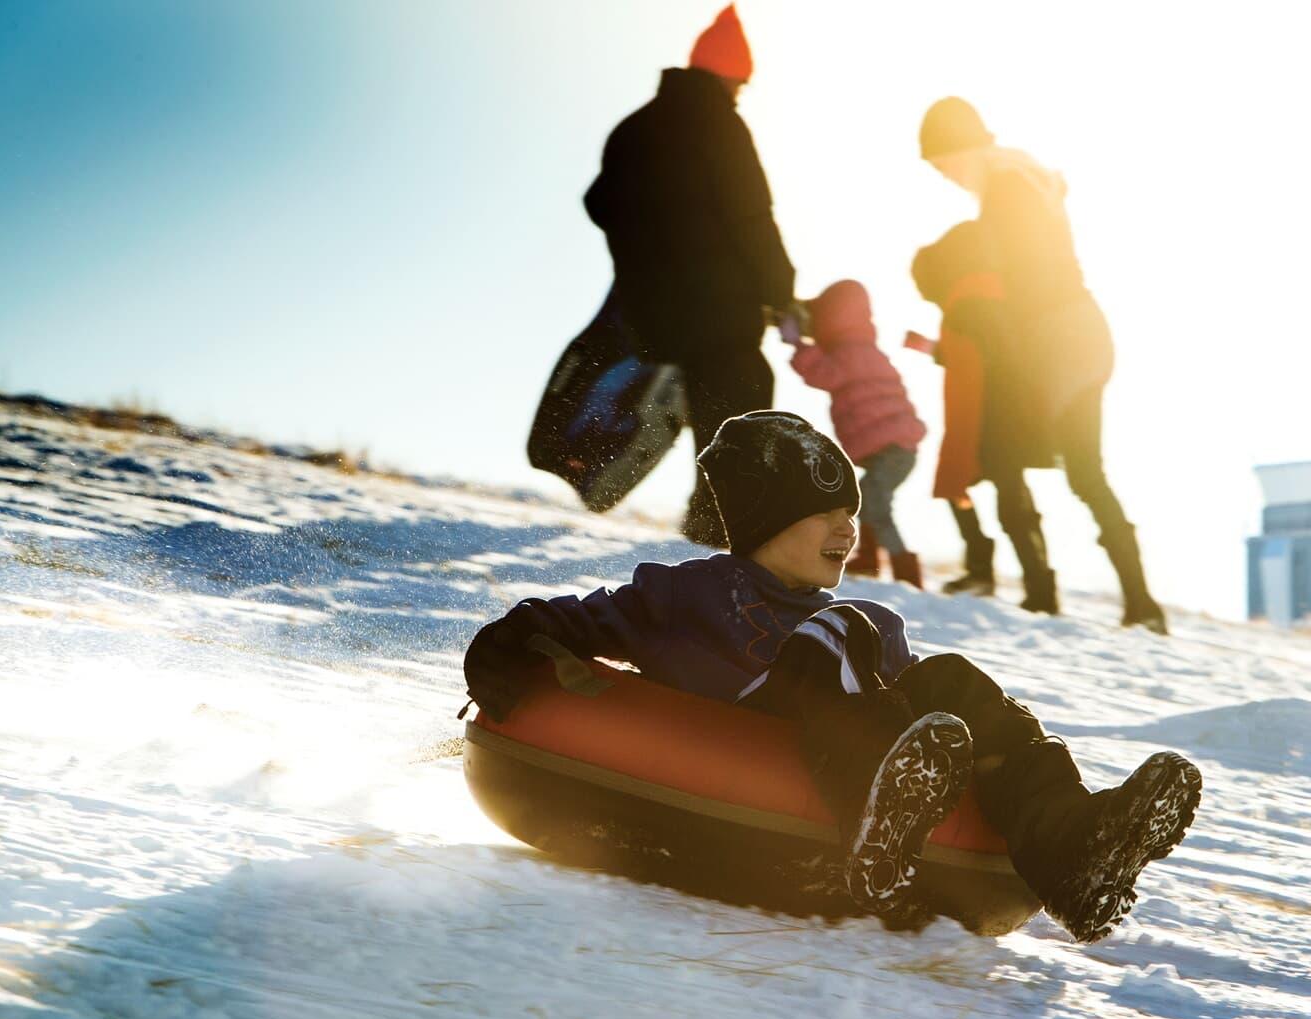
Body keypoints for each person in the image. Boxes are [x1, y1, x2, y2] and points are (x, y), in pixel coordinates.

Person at [463, 411, 1204, 943]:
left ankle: (1075, 852)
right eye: (823, 511)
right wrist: (511, 642)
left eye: (851, 510)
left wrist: (955, 736)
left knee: (948, 676)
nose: (847, 528)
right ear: (762, 520)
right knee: (850, 626)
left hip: (859, 742)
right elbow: (575, 622)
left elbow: (930, 714)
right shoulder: (683, 593)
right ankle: (874, 821)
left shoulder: (854, 626)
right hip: (758, 737)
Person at [919, 97, 1169, 633]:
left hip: (1055, 335)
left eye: (943, 165)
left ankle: (1043, 592)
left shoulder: (1007, 191)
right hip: (1081, 330)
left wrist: (980, 329)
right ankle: (1140, 604)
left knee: (1007, 451)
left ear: (962, 149)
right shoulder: (1024, 180)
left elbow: (1021, 280)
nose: (946, 177)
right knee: (1083, 472)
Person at [583, 5, 798, 546]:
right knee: (742, 399)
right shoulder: (721, 125)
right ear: (730, 76)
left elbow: (599, 201)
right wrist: (781, 289)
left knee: (706, 393)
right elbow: (752, 214)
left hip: (652, 313)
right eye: (740, 83)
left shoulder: (633, 128)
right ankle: (714, 527)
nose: (740, 93)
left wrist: (648, 257)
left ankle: (699, 502)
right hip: (720, 309)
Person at [786, 280, 928, 587]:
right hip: (896, 447)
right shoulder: (864, 348)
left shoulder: (851, 351)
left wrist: (798, 345)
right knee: (867, 495)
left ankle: (905, 570)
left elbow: (825, 375)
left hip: (893, 449)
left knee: (876, 503)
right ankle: (868, 557)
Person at [909, 219, 1007, 596]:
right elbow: (967, 353)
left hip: (979, 412)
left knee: (963, 485)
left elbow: (983, 355)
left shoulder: (968, 301)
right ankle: (988, 567)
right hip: (977, 409)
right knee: (972, 486)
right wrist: (929, 348)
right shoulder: (975, 297)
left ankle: (985, 568)